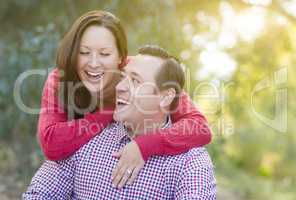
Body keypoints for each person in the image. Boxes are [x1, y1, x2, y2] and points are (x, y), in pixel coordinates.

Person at [38, 10, 212, 187]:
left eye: (105, 54)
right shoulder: (60, 80)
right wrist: (110, 112)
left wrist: (144, 145)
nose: (93, 63)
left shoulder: (139, 73)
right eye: (84, 52)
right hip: (78, 169)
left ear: (121, 58)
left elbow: (200, 127)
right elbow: (51, 143)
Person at [23, 45, 216, 199]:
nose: (120, 86)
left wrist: (144, 145)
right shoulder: (87, 138)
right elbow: (39, 194)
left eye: (135, 81)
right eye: (122, 77)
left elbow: (200, 126)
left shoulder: (191, 162)